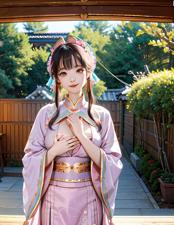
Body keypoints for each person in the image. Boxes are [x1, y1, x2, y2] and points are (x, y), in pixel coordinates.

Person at [22, 35, 123, 225]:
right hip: (53, 196)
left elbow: (113, 162)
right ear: (57, 79)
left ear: (88, 72)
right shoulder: (46, 114)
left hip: (89, 195)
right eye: (63, 73)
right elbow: (29, 159)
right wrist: (54, 151)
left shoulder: (101, 115)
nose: (72, 78)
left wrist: (83, 137)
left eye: (78, 69)